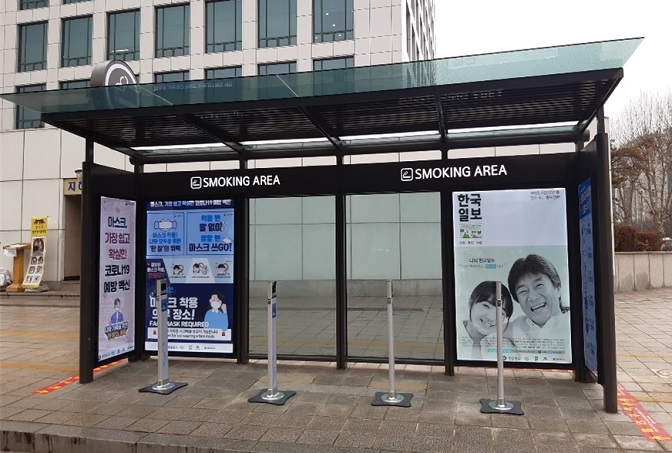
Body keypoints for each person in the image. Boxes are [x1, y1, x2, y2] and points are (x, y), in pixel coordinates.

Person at [507, 254, 570, 339]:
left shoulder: (574, 324)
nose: (533, 297)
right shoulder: (518, 326)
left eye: (539, 285)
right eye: (523, 291)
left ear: (557, 288)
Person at [458, 280, 514, 360]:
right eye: (486, 306)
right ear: (471, 302)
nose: (491, 318)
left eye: (501, 312)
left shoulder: (505, 346)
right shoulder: (452, 335)